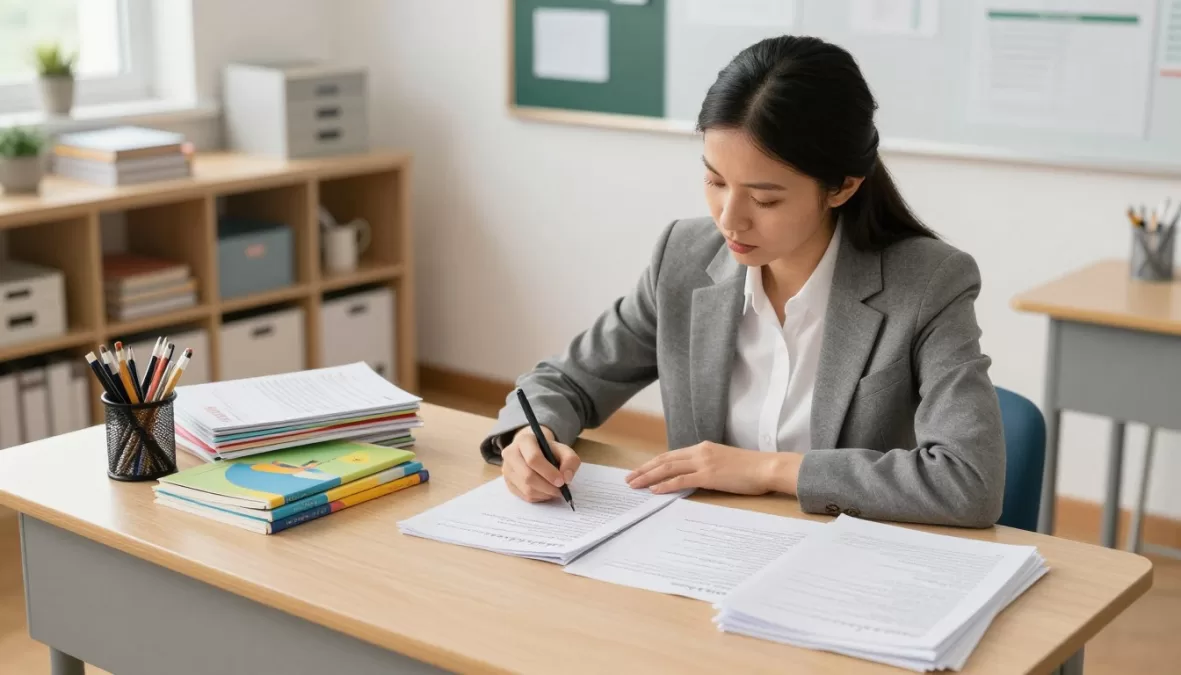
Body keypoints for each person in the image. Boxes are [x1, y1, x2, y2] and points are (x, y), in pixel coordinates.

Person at [480, 36, 1004, 528]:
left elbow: (968, 481)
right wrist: (533, 434)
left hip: (848, 563)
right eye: (714, 180)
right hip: (705, 550)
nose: (729, 219)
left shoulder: (930, 283)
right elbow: (566, 381)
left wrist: (767, 470)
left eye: (765, 198)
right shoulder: (683, 259)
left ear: (842, 186)